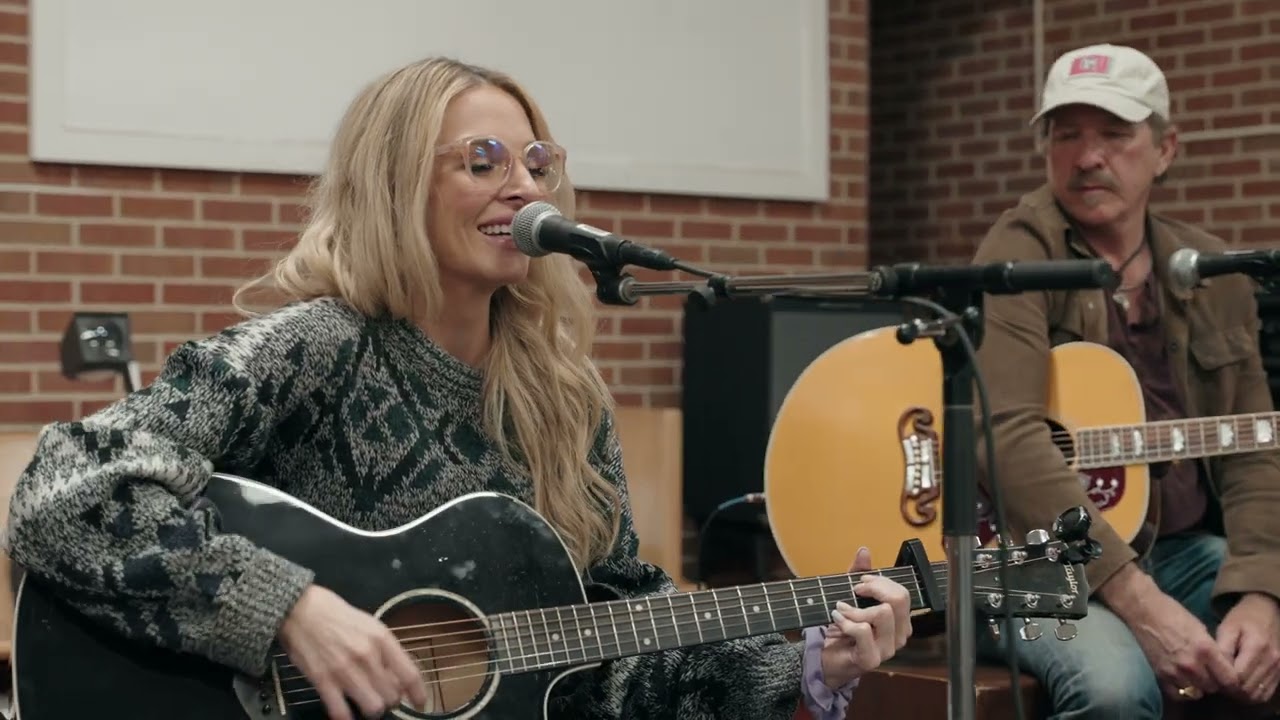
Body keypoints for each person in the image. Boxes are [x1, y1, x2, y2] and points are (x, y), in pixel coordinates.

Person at [4, 56, 912, 720]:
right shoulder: (312, 350)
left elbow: (618, 647)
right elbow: (61, 495)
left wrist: (806, 667)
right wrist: (286, 608)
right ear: (396, 183)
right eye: (483, 162)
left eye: (535, 163)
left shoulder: (562, 397)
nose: (522, 189)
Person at [970, 43, 1280, 718]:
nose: (1087, 157)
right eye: (1066, 135)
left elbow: (1254, 449)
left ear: (1165, 149)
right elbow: (1007, 435)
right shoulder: (1019, 254)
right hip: (1032, 562)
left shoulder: (1213, 272)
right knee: (1113, 691)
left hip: (1184, 552)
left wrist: (1261, 592)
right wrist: (1140, 602)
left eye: (1113, 134)